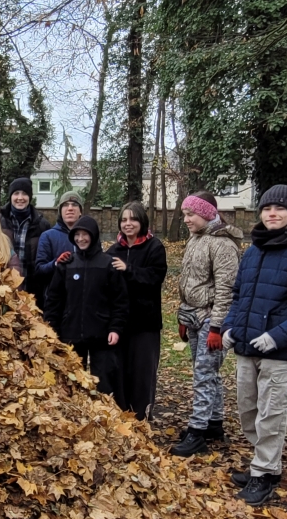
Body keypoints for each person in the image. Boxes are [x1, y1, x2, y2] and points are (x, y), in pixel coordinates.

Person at [222, 185, 287, 505]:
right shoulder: (253, 251)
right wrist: (230, 327)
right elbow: (240, 296)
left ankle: (264, 472)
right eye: (268, 208)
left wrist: (277, 336)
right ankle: (265, 463)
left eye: (280, 209)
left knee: (271, 414)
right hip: (247, 347)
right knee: (249, 413)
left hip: (279, 352)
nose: (273, 214)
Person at [171, 191, 242, 458]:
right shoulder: (196, 239)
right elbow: (191, 282)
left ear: (207, 213)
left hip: (212, 319)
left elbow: (227, 290)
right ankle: (214, 423)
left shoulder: (222, 244)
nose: (186, 219)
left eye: (191, 214)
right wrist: (184, 315)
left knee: (203, 373)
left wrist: (216, 327)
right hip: (194, 316)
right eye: (185, 214)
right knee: (209, 372)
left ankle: (197, 432)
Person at [44, 216, 128, 404]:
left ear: (94, 236)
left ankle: (105, 417)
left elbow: (120, 302)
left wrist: (116, 328)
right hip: (70, 333)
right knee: (73, 382)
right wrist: (52, 329)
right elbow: (54, 300)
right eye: (77, 235)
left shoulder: (108, 264)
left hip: (102, 334)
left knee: (104, 383)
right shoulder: (66, 264)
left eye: (85, 235)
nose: (81, 239)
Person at [105, 201, 167, 420]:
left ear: (142, 221)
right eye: (124, 219)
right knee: (119, 372)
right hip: (120, 324)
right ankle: (122, 418)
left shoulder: (154, 247)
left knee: (142, 373)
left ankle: (142, 418)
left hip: (145, 323)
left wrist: (128, 269)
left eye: (133, 219)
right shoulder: (114, 250)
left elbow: (155, 277)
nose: (128, 224)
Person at [0, 178, 51, 303]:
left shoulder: (42, 225)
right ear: (10, 196)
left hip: (32, 288)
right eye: (16, 193)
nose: (20, 198)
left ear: (30, 197)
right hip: (4, 286)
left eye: (25, 194)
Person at [35, 191, 83, 307]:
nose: (70, 208)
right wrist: (56, 263)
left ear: (80, 211)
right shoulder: (48, 236)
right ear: (60, 211)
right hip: (56, 302)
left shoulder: (89, 237)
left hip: (83, 300)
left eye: (74, 204)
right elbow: (39, 270)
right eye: (65, 205)